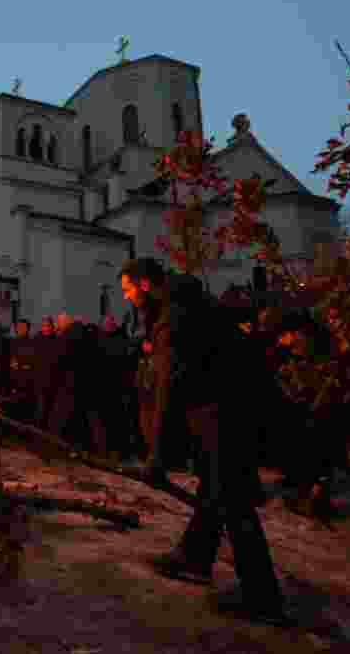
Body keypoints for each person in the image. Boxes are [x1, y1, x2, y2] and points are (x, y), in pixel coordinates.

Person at [119, 257, 291, 626]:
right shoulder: (186, 304)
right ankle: (194, 557)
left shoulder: (173, 317)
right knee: (215, 490)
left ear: (145, 284)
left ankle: (262, 597)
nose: (128, 298)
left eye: (129, 289)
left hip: (224, 414)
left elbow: (169, 387)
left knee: (233, 500)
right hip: (228, 410)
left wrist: (158, 455)